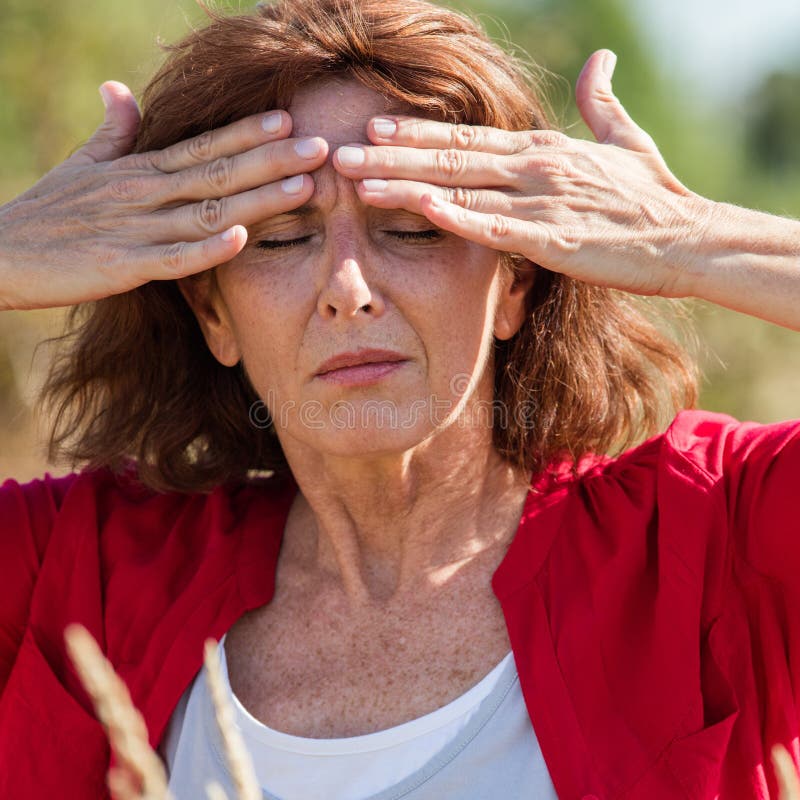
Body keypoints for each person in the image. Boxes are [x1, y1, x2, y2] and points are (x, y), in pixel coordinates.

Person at [0, 0, 798, 798]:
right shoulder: (77, 573)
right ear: (214, 314)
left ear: (515, 278)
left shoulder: (713, 536)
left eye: (411, 230)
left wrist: (691, 236)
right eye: (282, 238)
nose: (348, 289)